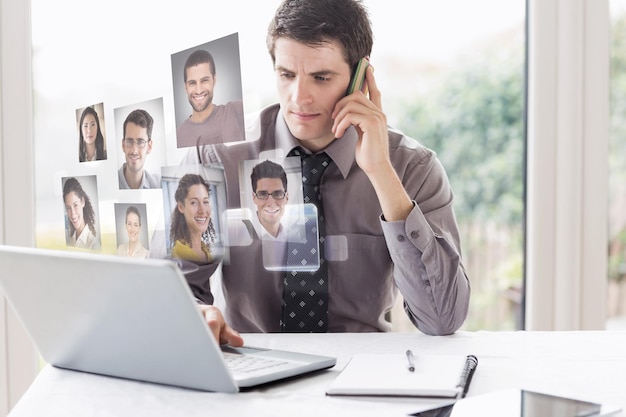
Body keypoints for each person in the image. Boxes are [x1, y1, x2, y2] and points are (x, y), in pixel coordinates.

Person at [191, 0, 470, 346]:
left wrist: (381, 172)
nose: (299, 98)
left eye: (321, 78)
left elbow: (442, 319)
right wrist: (194, 311)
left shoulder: (413, 168)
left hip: (363, 371)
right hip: (250, 364)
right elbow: (175, 286)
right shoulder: (216, 155)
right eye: (287, 75)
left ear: (360, 78)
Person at [175, 49, 245, 147]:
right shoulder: (178, 136)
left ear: (214, 80)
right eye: (192, 83)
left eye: (204, 80)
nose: (198, 90)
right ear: (185, 87)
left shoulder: (235, 111)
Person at [169, 173, 217, 264]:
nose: (202, 210)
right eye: (194, 202)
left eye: (205, 202)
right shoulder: (180, 253)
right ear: (181, 207)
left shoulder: (205, 250)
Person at [118, 109, 161, 189]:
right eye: (129, 141)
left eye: (140, 142)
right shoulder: (109, 183)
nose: (134, 151)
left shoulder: (159, 184)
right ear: (123, 145)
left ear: (149, 146)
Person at [250, 159, 290, 239]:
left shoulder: (293, 237)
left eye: (278, 194)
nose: (271, 203)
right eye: (263, 194)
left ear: (286, 198)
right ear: (254, 198)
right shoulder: (241, 236)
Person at [63, 177, 101, 250]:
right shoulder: (69, 240)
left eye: (75, 205)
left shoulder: (94, 246)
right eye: (68, 208)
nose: (73, 214)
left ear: (82, 202)